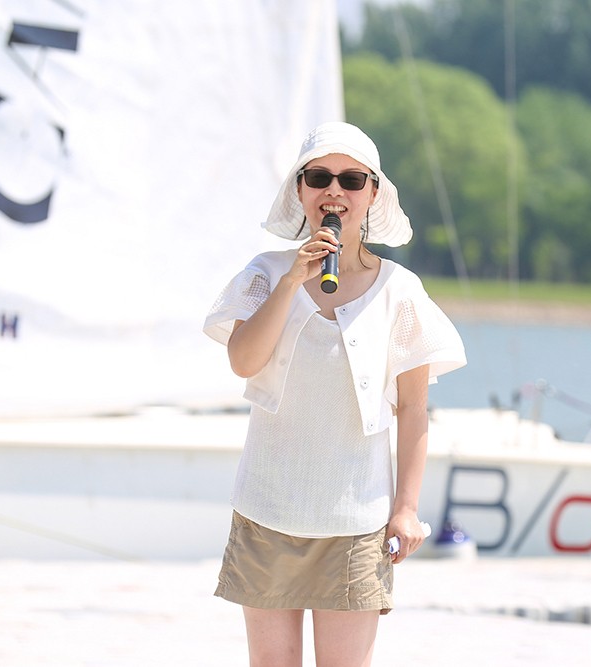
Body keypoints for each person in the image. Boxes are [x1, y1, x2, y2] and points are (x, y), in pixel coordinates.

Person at [203, 121, 466, 667]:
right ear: (300, 189)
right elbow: (243, 361)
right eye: (319, 177)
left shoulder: (399, 290)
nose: (334, 191)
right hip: (268, 511)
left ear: (373, 193)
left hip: (357, 522)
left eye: (351, 179)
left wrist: (406, 509)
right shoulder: (266, 274)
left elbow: (414, 408)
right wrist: (291, 281)